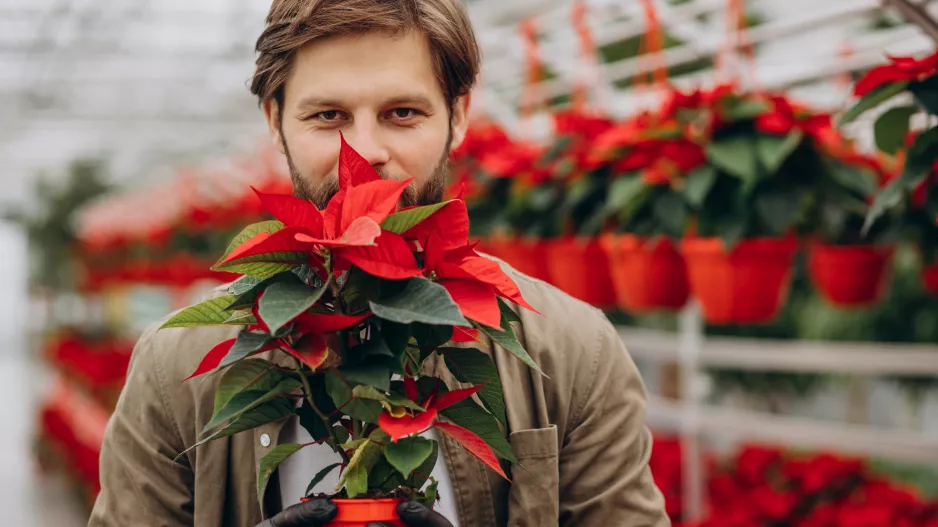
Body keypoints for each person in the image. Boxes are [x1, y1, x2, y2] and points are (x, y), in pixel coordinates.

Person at [88, 1, 670, 526]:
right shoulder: (173, 369)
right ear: (275, 123)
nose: (365, 151)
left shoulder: (572, 351)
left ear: (458, 116)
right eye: (328, 116)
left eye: (402, 112)